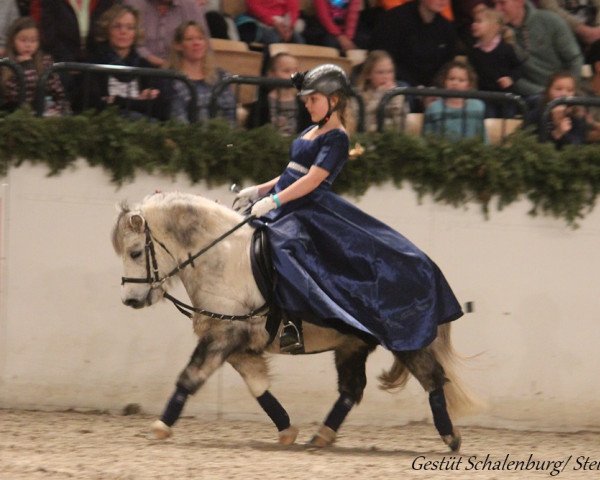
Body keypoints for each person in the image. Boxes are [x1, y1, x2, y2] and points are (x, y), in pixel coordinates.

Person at [233, 63, 463, 368]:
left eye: (313, 99)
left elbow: (313, 180)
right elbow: (292, 173)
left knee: (285, 251)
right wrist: (258, 191)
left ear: (334, 100)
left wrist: (274, 201)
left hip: (309, 210)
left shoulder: (337, 137)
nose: (307, 104)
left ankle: (291, 323)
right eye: (306, 99)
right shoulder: (311, 130)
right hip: (289, 203)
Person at [74, 4, 169, 120]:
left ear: (135, 33)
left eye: (130, 27)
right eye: (117, 26)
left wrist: (116, 100)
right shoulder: (93, 64)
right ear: (107, 30)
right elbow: (92, 106)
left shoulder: (145, 67)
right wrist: (137, 102)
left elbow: (161, 109)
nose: (123, 32)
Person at [493, 0, 584, 98]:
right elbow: (509, 76)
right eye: (494, 4)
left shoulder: (550, 21)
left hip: (564, 93)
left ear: (519, 2)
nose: (497, 9)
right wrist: (544, 94)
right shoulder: (495, 33)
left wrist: (568, 90)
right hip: (529, 97)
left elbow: (574, 59)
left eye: (502, 3)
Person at [369, 0, 457, 87]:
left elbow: (446, 66)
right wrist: (417, 88)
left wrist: (433, 90)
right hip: (397, 84)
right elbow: (381, 58)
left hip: (433, 90)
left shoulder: (447, 28)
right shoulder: (394, 19)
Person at [168, 20, 236, 124]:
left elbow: (230, 114)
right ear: (178, 45)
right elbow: (178, 119)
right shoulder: (172, 79)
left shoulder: (222, 76)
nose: (196, 43)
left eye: (200, 38)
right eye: (189, 39)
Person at [1, 16, 70, 115]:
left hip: (44, 114)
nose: (28, 45)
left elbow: (58, 93)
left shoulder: (45, 62)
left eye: (33, 40)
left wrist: (56, 109)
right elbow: (15, 96)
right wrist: (26, 65)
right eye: (23, 40)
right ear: (12, 41)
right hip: (14, 115)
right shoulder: (5, 64)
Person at [466, 6, 522, 116]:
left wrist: (510, 78)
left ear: (494, 27)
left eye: (479, 21)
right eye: (474, 21)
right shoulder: (473, 52)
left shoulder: (506, 49)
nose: (474, 24)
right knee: (488, 115)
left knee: (508, 119)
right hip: (484, 97)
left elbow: (518, 68)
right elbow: (471, 73)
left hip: (505, 97)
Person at [122, 0, 210, 68]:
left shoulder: (191, 6)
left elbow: (204, 44)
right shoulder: (133, 4)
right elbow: (126, 41)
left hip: (180, 73)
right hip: (138, 70)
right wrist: (160, 63)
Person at [246, 51, 311, 134]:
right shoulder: (260, 105)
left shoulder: (304, 106)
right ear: (271, 74)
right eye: (286, 71)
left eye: (295, 70)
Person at [423, 60, 487, 141]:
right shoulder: (434, 108)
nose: (455, 83)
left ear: (469, 85)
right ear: (444, 81)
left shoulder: (477, 106)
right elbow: (427, 137)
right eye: (451, 79)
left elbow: (483, 137)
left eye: (461, 80)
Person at [39, 0, 117, 63]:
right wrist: (67, 60)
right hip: (61, 60)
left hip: (97, 59)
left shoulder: (105, 2)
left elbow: (106, 32)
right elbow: (49, 34)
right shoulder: (52, 2)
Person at [526, 71, 588, 147]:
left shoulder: (577, 116)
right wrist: (557, 132)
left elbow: (579, 145)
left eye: (569, 90)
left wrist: (564, 135)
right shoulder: (537, 113)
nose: (564, 94)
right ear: (548, 90)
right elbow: (529, 143)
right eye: (558, 89)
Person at [352, 49, 408, 132]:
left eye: (390, 72)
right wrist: (379, 97)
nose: (386, 77)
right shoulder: (357, 95)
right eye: (380, 72)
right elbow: (361, 126)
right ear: (368, 74)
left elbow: (401, 127)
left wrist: (397, 102)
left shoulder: (398, 94)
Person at [236, 0, 304, 45]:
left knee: (298, 40)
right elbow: (253, 6)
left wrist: (290, 26)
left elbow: (293, 9)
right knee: (273, 39)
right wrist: (273, 22)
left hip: (283, 21)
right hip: (259, 20)